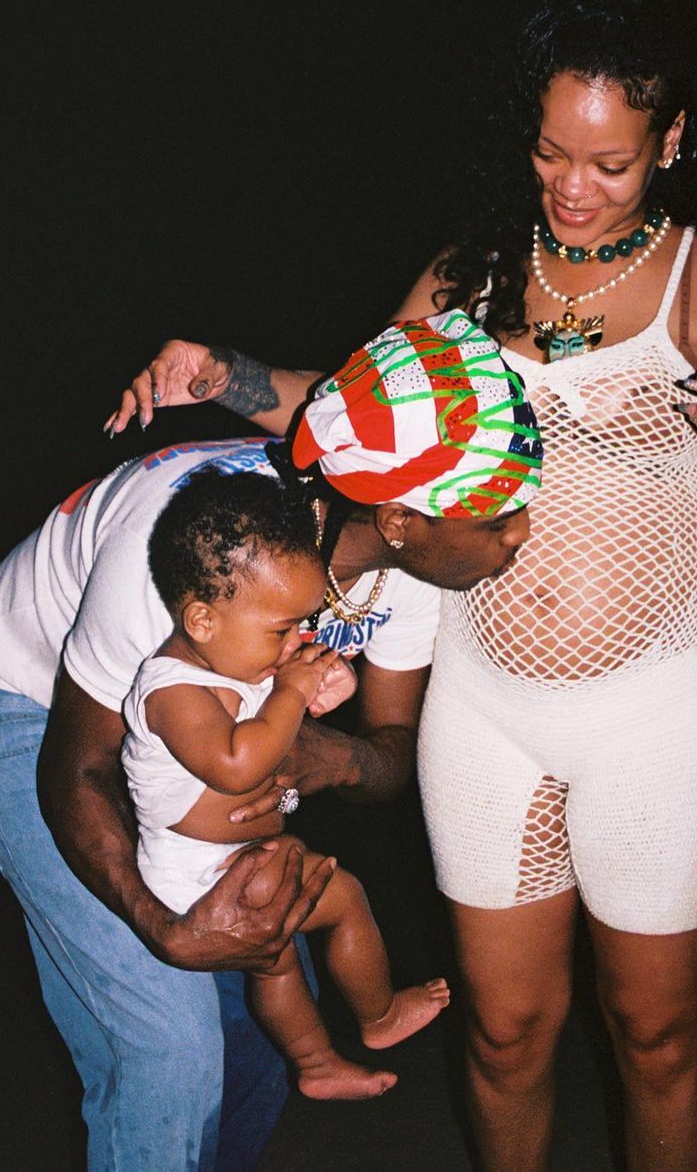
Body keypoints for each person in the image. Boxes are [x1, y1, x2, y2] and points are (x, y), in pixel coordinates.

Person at [106, 0, 697, 1171]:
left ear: (672, 143)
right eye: (550, 154)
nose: (573, 187)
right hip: (488, 714)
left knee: (654, 1036)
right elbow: (339, 414)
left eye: (610, 162)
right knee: (500, 1033)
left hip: (665, 718)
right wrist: (216, 371)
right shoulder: (468, 279)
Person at [0, 311, 541, 1171]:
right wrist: (161, 925)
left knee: (257, 1031)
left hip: (205, 741)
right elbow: (77, 765)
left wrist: (325, 758)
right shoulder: (201, 556)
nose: (519, 533)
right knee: (169, 1049)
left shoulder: (409, 573)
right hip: (26, 707)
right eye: (496, 515)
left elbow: (388, 754)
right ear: (403, 514)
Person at [124, 466, 450, 1100]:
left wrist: (318, 685)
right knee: (340, 898)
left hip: (232, 856)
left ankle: (317, 1063)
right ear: (202, 621)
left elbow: (280, 738)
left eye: (302, 627)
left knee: (274, 955)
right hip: (195, 870)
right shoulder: (171, 689)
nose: (296, 642)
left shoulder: (235, 661)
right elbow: (239, 764)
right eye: (281, 631)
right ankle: (375, 1018)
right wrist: (291, 696)